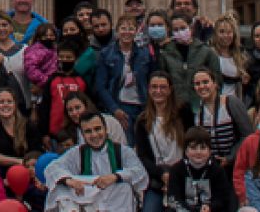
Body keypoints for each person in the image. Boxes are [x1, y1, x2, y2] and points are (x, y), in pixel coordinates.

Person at [45, 111, 149, 212]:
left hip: (115, 200)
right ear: (82, 134)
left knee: (124, 187)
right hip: (88, 201)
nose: (94, 135)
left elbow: (140, 173)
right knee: (61, 189)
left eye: (97, 129)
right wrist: (70, 181)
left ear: (105, 129)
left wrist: (115, 177)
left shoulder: (122, 151)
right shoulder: (77, 152)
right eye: (88, 131)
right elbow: (51, 169)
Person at [133, 74, 189, 212]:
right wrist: (162, 175)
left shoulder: (183, 112)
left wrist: (176, 174)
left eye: (163, 87)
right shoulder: (142, 120)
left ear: (170, 90)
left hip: (184, 175)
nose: (158, 91)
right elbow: (143, 156)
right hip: (158, 179)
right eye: (154, 87)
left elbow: (191, 144)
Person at [95, 15, 153, 131]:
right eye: (123, 28)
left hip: (142, 105)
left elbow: (150, 80)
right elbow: (100, 86)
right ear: (117, 31)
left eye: (131, 29)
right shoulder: (106, 54)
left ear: (136, 31)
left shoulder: (145, 54)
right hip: (120, 105)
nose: (127, 32)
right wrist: (114, 109)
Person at [162, 128, 235, 212]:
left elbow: (223, 199)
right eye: (193, 148)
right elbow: (173, 199)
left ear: (210, 151)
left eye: (203, 148)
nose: (198, 152)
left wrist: (210, 207)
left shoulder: (218, 170)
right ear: (186, 151)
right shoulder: (176, 170)